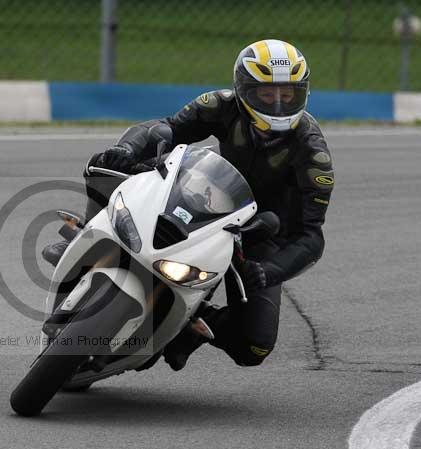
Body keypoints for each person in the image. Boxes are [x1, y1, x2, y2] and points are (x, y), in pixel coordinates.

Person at [42, 39, 334, 371]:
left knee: (254, 347)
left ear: (303, 94)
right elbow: (167, 127)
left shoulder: (313, 154)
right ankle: (86, 232)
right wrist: (126, 149)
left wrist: (270, 271)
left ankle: (191, 323)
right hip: (210, 199)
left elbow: (312, 237)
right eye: (268, 94)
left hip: (260, 235)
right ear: (244, 90)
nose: (279, 104)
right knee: (106, 164)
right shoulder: (222, 104)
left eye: (288, 94)